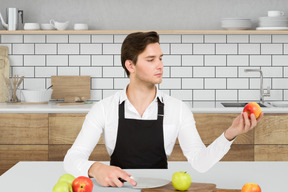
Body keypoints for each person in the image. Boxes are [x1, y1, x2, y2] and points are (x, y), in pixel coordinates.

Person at [64, 31, 263, 188]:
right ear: (130, 66)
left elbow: (200, 163)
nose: (160, 65)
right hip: (120, 188)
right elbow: (72, 159)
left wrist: (230, 134)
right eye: (151, 60)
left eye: (160, 58)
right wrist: (94, 168)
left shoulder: (177, 109)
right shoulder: (104, 109)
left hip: (161, 188)